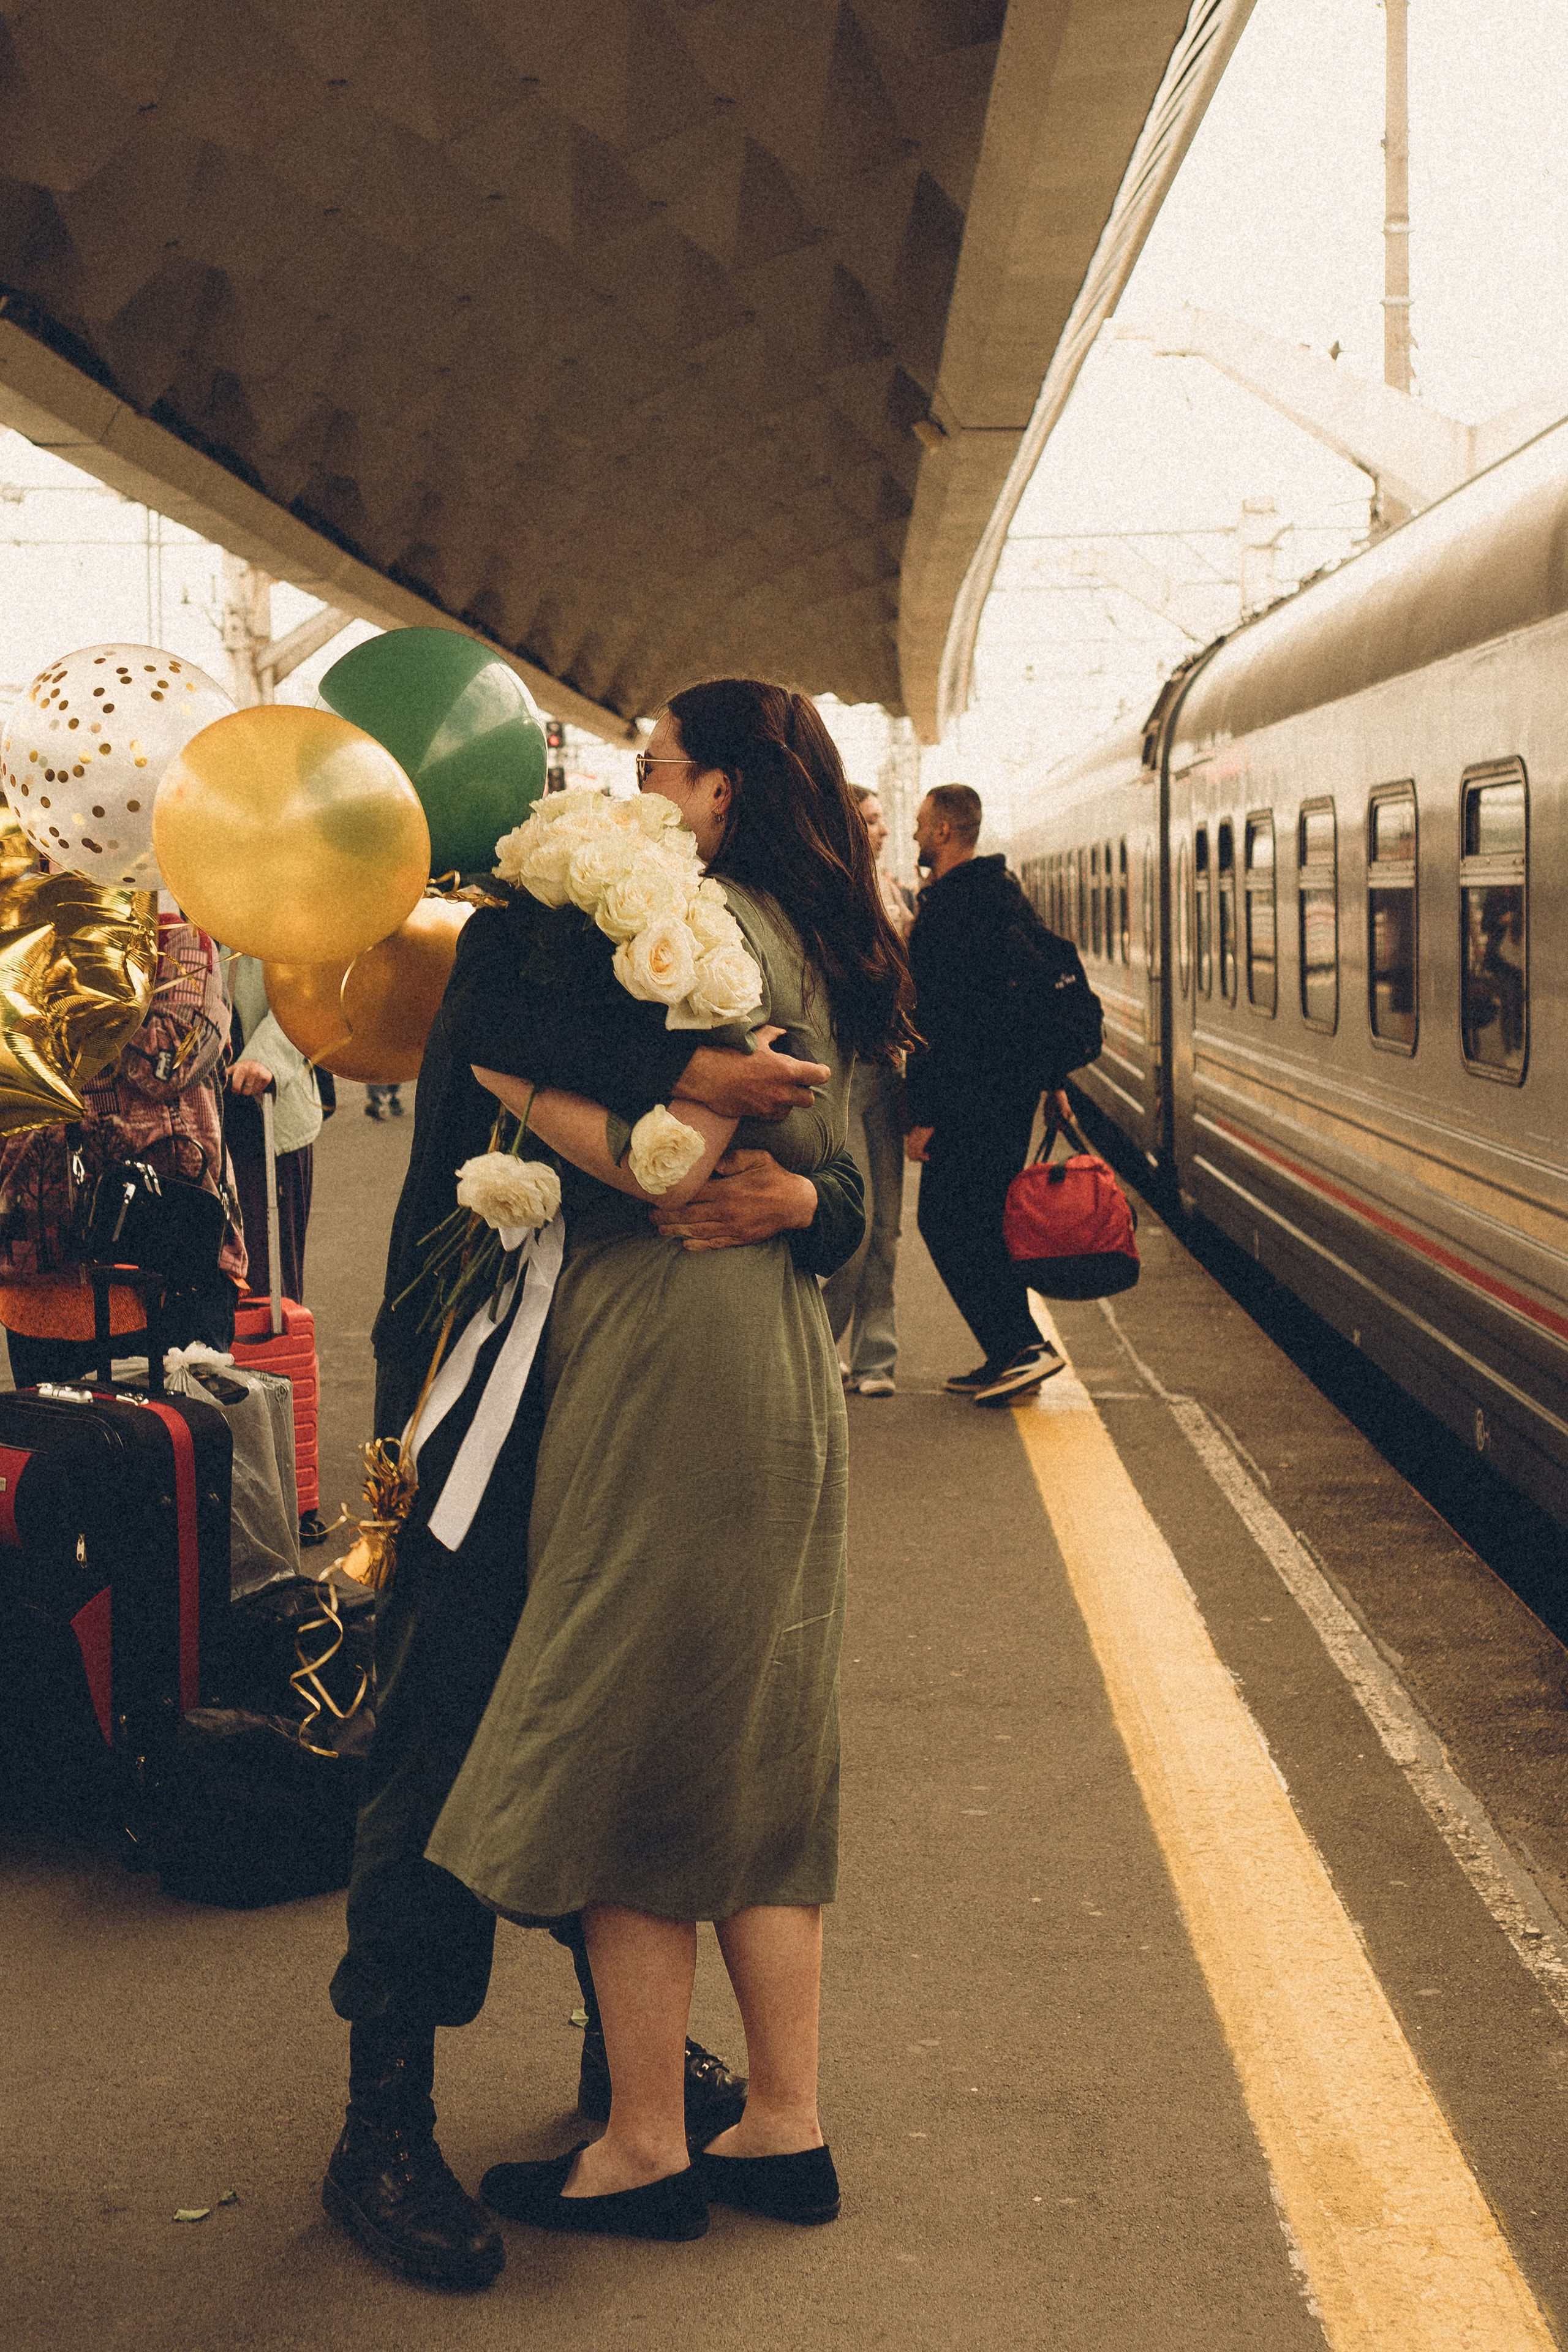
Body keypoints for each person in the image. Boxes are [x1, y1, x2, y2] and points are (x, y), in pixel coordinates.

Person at [323, 841, 870, 2291]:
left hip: (633, 1426)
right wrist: (696, 1091)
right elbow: (541, 1065)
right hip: (457, 1429)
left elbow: (839, 1173)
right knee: (432, 1750)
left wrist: (812, 1206)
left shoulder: (709, 973)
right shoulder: (516, 978)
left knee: (634, 1732)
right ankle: (384, 2115)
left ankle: (624, 2080)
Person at [423, 677, 914, 2250]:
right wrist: (808, 1205)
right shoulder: (825, 930)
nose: (638, 796)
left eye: (656, 770)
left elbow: (686, 1163)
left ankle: (645, 2141)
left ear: (717, 791)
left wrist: (529, 1084)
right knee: (757, 1736)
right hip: (775, 1359)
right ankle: (782, 2121)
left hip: (669, 1354)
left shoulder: (702, 936)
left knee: (625, 1730)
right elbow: (828, 1179)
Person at [903, 783, 1100, 1408]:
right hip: (1009, 1089)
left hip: (970, 1096)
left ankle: (1022, 1344)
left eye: (919, 825)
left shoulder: (947, 911)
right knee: (984, 1219)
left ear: (943, 832)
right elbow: (1027, 999)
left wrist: (922, 1115)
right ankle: (1006, 1355)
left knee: (945, 1219)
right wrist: (1051, 1083)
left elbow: (938, 1023)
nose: (913, 836)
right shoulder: (1002, 894)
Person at [0, 912, 247, 1381]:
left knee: (169, 1444)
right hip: (38, 1275)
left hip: (165, 1268)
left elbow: (169, 1061)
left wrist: (74, 976)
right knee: (58, 1445)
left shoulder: (183, 942)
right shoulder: (20, 940)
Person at [823, 786, 911, 1396]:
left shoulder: (891, 890)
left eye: (881, 820)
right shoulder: (828, 895)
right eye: (871, 821)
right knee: (853, 1227)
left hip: (889, 1073)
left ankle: (876, 1357)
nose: (881, 830)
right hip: (845, 1073)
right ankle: (818, 1349)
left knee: (886, 1228)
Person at [225, 954, 321, 1308]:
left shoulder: (279, 908)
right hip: (191, 1125)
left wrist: (268, 1056)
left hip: (264, 1117)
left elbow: (312, 993)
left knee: (269, 1284)